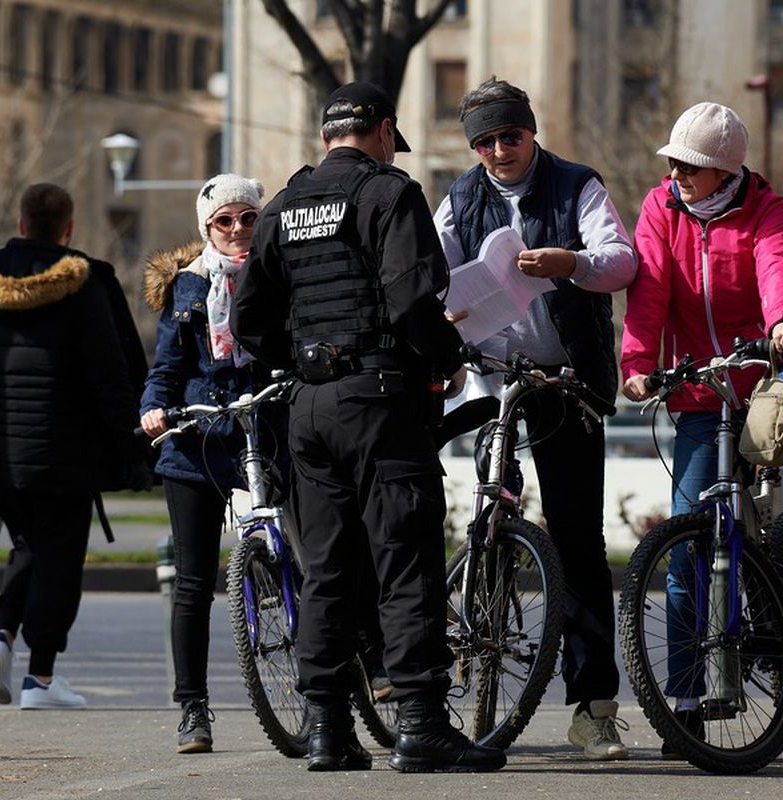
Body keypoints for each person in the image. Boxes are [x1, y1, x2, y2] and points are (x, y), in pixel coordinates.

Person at [230, 81, 504, 774]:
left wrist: (304, 358)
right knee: (404, 560)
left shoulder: (284, 205)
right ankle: (421, 725)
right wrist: (444, 361)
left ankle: (327, 728)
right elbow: (412, 299)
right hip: (380, 401)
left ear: (326, 137)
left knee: (326, 570)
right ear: (383, 130)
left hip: (308, 408)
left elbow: (248, 320)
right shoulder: (389, 194)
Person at [619, 101, 783, 755]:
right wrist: (637, 364)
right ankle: (686, 703)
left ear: (725, 169)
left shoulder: (765, 206)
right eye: (674, 163)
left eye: (692, 166)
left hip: (768, 366)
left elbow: (776, 264)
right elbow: (649, 291)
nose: (678, 174)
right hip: (699, 383)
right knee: (685, 540)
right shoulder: (660, 208)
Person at [432, 77, 637, 761]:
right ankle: (479, 629)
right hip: (492, 376)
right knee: (487, 514)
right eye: (485, 142)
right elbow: (433, 279)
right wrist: (445, 318)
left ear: (531, 132)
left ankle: (593, 708)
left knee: (578, 536)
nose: (499, 150)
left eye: (510, 136)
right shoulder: (459, 198)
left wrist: (571, 262)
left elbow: (621, 262)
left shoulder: (577, 185)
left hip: (564, 380)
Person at [0, 183, 146, 710]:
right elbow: (110, 373)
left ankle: (2, 634)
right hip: (68, 452)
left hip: (2, 451)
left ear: (20, 223)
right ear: (68, 228)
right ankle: (40, 678)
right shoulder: (84, 282)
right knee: (60, 559)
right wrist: (133, 443)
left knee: (27, 544)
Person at [139, 174, 283, 753]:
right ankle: (192, 709)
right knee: (193, 582)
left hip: (264, 429)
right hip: (199, 436)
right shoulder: (188, 286)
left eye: (248, 217)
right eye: (225, 220)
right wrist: (154, 409)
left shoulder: (278, 274)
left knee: (312, 551)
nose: (237, 229)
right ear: (207, 227)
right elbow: (167, 368)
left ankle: (339, 679)